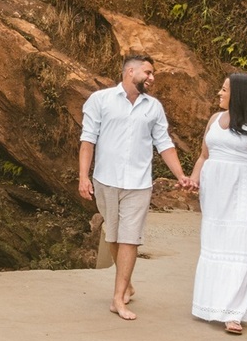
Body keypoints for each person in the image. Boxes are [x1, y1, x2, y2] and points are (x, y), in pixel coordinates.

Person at [79, 54, 191, 321]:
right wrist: (83, 177)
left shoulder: (153, 107)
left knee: (129, 238)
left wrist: (181, 175)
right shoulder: (100, 100)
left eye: (152, 74)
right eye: (148, 72)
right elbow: (88, 141)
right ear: (130, 71)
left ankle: (117, 298)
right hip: (106, 179)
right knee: (113, 236)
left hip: (139, 183)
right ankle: (126, 283)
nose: (152, 78)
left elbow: (164, 143)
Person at [189, 73, 247, 335]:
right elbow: (204, 156)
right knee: (215, 245)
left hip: (246, 193)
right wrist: (194, 179)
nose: (219, 93)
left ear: (238, 94)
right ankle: (210, 305)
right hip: (216, 194)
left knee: (242, 247)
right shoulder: (214, 120)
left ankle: (234, 313)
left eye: (224, 89)